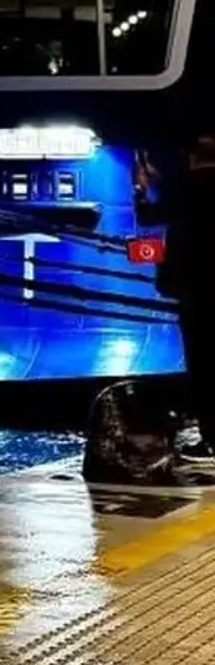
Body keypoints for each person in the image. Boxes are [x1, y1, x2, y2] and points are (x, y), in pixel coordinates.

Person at [133, 133, 215, 462]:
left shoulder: (183, 189)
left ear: (191, 157)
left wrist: (141, 187)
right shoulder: (186, 188)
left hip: (196, 291)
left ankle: (211, 438)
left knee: (203, 364)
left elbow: (147, 217)